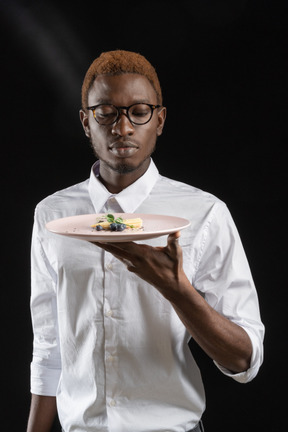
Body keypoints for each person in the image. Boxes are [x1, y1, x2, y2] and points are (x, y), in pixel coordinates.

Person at [27, 50, 264, 432]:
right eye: (106, 112)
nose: (122, 128)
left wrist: (177, 290)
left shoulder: (204, 213)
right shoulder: (52, 216)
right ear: (86, 122)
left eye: (139, 111)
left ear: (160, 120)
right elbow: (50, 347)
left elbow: (245, 361)